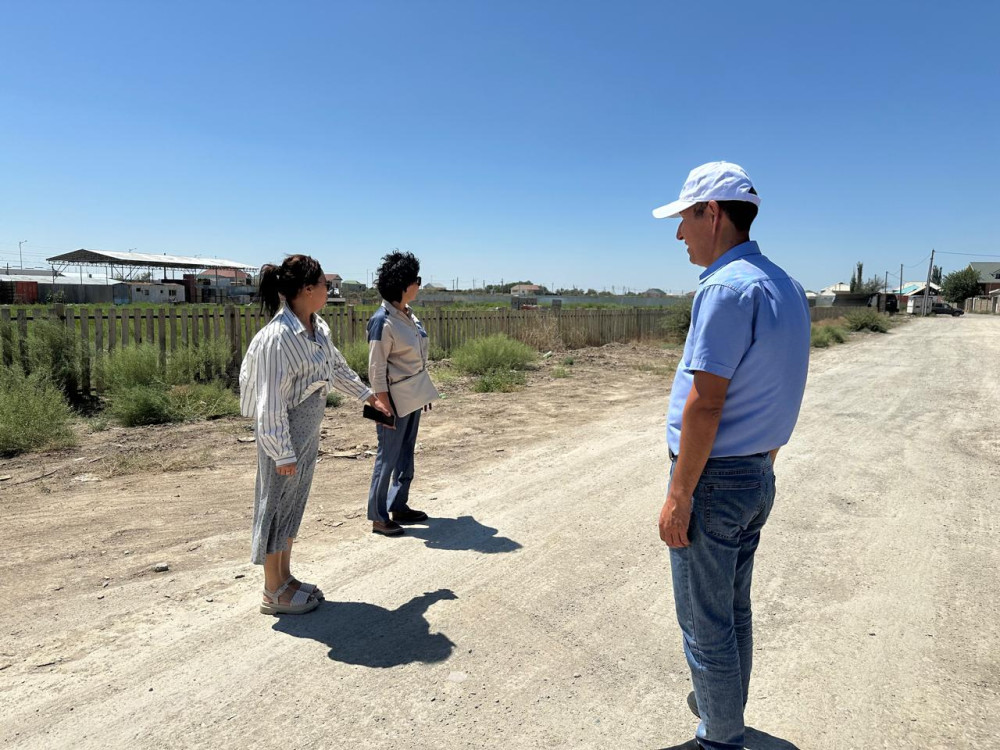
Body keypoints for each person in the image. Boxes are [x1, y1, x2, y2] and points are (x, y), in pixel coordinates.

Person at [652, 163, 810, 750]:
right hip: (754, 472)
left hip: (714, 481)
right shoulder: (785, 286)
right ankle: (725, 712)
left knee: (704, 621)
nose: (679, 233)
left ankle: (718, 738)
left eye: (685, 219)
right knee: (732, 609)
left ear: (712, 213)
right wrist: (764, 458)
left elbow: (707, 402)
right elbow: (782, 384)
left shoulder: (724, 288)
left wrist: (680, 494)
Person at [240, 254, 392, 615]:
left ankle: (286, 578)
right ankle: (272, 591)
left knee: (293, 504)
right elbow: (269, 401)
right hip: (284, 434)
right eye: (325, 284)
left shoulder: (317, 327)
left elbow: (335, 368)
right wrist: (282, 451)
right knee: (275, 505)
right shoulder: (278, 338)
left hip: (307, 432)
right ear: (307, 289)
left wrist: (368, 395)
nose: (328, 289)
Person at [366, 250, 438, 537]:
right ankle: (378, 516)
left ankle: (399, 505)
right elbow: (376, 368)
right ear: (403, 284)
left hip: (412, 395)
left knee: (406, 453)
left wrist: (422, 391)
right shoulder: (382, 320)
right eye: (416, 279)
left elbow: (416, 358)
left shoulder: (408, 316)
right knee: (388, 456)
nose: (419, 284)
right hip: (392, 400)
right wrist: (382, 404)